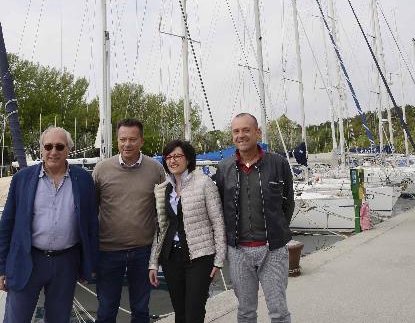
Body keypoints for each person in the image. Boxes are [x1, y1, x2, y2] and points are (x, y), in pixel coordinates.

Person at [0, 127, 98, 322]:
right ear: (41, 150)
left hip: (66, 262)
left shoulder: (84, 179)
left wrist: (89, 264)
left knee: (59, 319)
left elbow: (91, 225)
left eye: (60, 147)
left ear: (68, 149)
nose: (54, 151)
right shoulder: (22, 179)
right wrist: (2, 268)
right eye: (49, 146)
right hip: (27, 259)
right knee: (16, 318)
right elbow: (7, 225)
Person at [215, 113, 295, 323]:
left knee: (279, 310)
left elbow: (288, 203)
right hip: (239, 251)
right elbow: (221, 207)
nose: (241, 135)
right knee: (245, 311)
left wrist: (278, 231)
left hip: (273, 249)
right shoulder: (223, 169)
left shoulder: (278, 163)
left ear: (257, 132)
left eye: (246, 130)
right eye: (236, 131)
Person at [93, 118, 165, 323]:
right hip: (107, 252)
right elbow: (92, 209)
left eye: (132, 139)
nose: (127, 144)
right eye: (122, 139)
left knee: (141, 310)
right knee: (106, 311)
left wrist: (158, 253)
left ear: (141, 141)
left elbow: (162, 213)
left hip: (143, 252)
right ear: (117, 140)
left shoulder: (155, 169)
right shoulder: (101, 169)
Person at [148, 140, 226, 323]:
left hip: (199, 257)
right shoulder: (163, 189)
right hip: (171, 257)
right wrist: (153, 263)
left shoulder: (204, 183)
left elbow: (218, 222)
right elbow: (160, 228)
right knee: (180, 312)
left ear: (188, 159)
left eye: (177, 156)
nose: (172, 161)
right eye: (168, 157)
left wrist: (219, 259)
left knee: (194, 313)